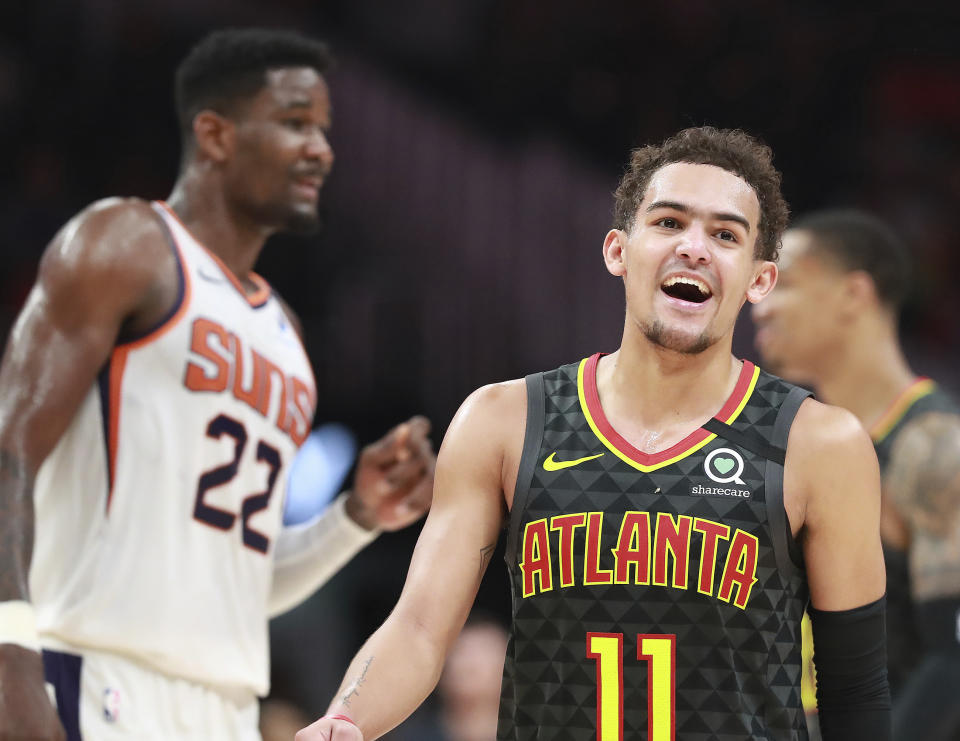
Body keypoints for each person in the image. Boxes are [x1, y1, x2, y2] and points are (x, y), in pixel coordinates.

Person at [297, 127, 891, 741]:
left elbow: (855, 688)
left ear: (759, 279)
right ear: (617, 251)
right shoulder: (505, 419)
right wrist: (345, 720)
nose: (694, 248)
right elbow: (420, 627)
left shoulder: (818, 444)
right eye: (668, 222)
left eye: (725, 234)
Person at [0, 28, 435, 740]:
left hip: (225, 708)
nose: (322, 149)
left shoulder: (287, 336)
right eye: (296, 123)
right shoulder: (125, 243)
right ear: (216, 134)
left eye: (324, 129)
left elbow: (237, 583)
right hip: (96, 677)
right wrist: (10, 650)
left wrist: (353, 517)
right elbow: (8, 449)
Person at [752, 208, 960, 740]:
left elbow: (952, 658)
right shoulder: (799, 447)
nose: (760, 307)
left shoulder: (933, 447)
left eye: (785, 283)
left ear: (854, 294)